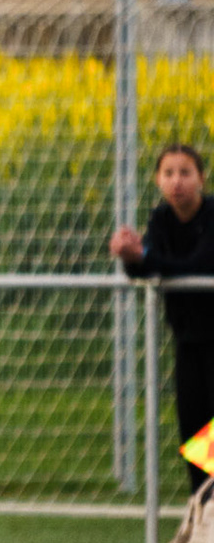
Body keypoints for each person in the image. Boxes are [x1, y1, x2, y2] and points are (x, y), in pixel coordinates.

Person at [112, 144, 214, 494]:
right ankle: (202, 511)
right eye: (168, 173)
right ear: (157, 179)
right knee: (196, 433)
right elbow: (147, 268)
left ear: (201, 178)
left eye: (185, 172)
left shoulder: (211, 216)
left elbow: (198, 267)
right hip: (188, 341)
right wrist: (130, 256)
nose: (176, 181)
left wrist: (144, 257)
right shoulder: (161, 219)